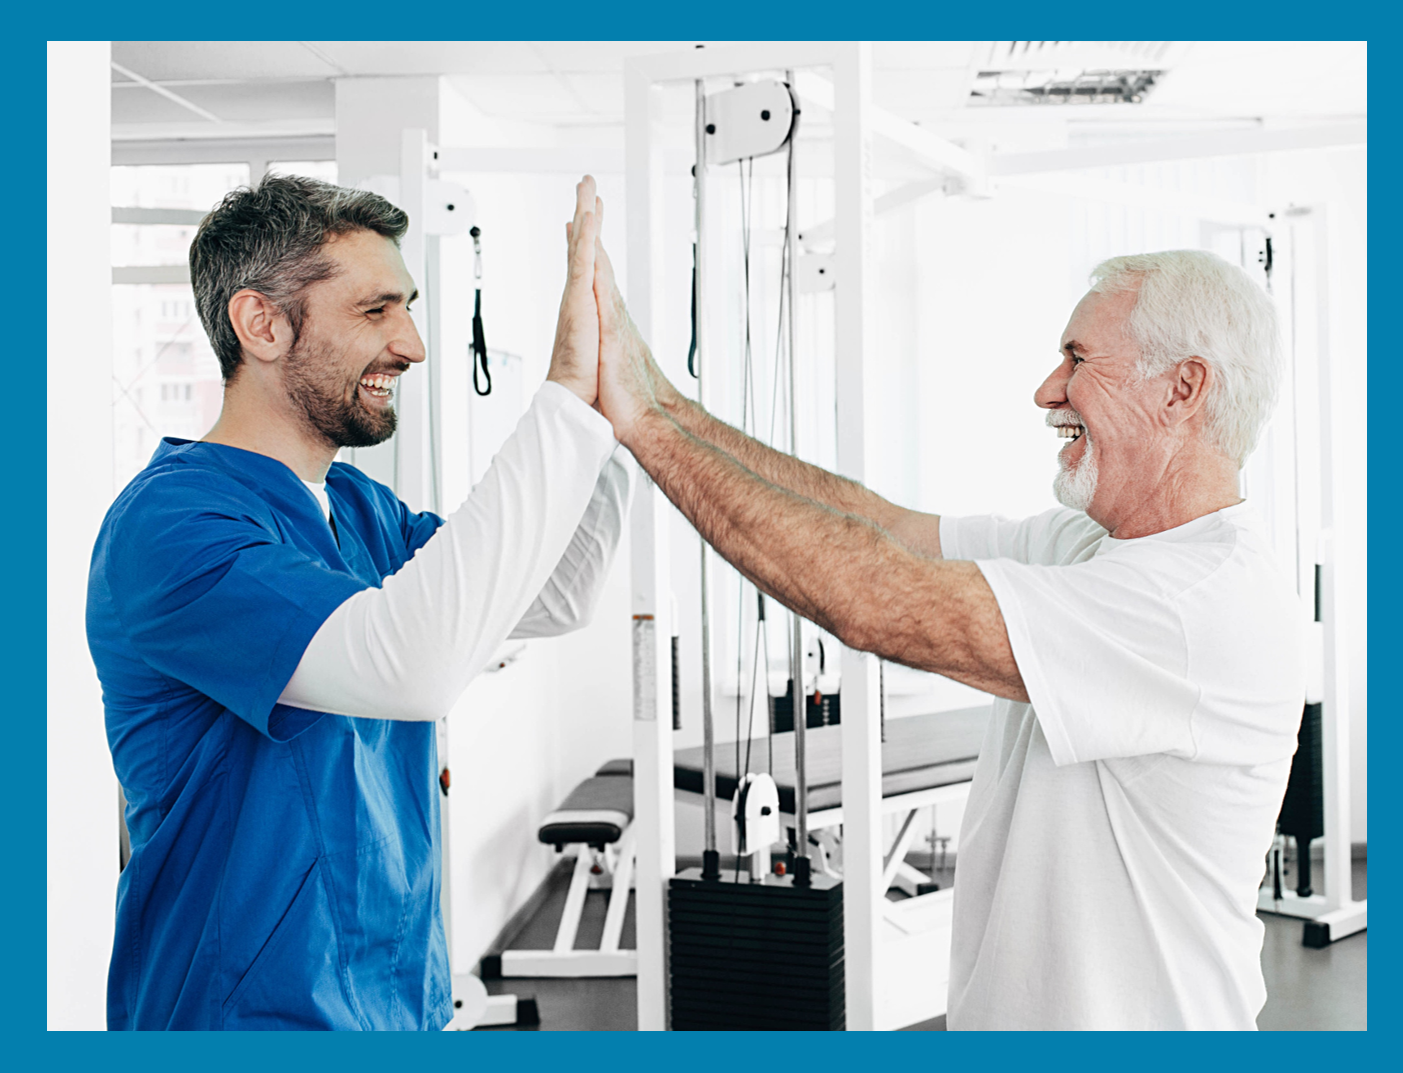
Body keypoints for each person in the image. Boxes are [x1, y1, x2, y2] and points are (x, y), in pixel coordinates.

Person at [589, 229, 1305, 1030]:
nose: (1046, 389)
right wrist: (659, 398)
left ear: (1181, 389)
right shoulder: (1091, 546)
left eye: (1076, 358)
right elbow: (877, 525)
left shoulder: (1200, 601)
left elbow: (871, 596)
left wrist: (640, 426)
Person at [87, 174, 629, 1030]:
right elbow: (410, 666)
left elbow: (554, 591)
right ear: (260, 324)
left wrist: (605, 411)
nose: (412, 344)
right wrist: (559, 400)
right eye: (376, 311)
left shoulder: (358, 508)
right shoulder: (168, 526)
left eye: (406, 309)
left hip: (393, 1004)